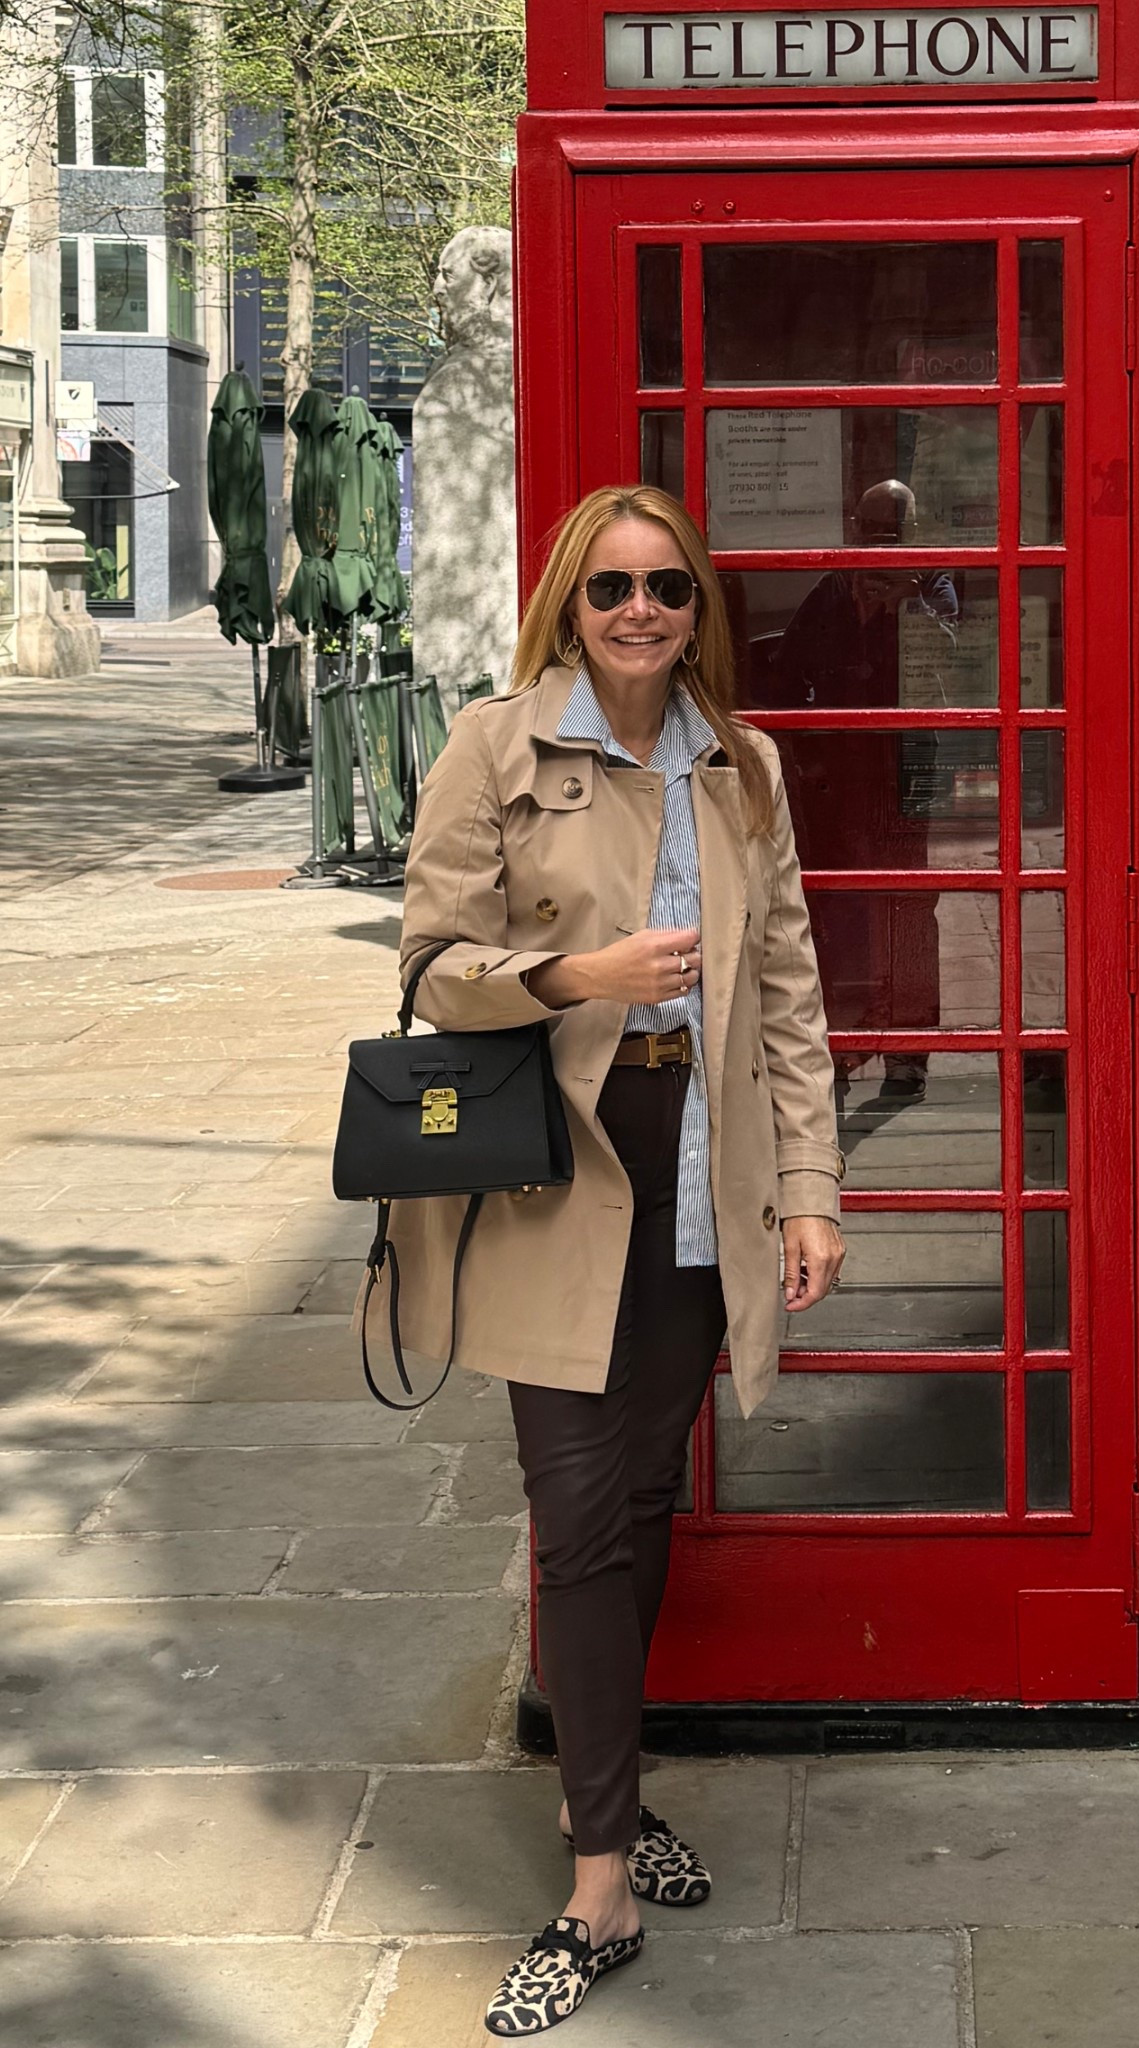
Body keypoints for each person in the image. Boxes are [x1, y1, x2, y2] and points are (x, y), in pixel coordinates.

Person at [381, 484, 845, 2036]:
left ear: (696, 604)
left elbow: (786, 996)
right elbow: (433, 972)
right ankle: (599, 1884)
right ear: (567, 607)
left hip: (704, 1171)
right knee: (574, 1510)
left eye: (666, 588)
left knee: (644, 1495)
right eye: (609, 590)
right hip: (555, 1167)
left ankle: (610, 1782)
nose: (640, 612)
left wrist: (813, 1192)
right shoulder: (493, 746)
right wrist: (577, 972)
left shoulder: (744, 766)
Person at [770, 480, 955, 1109]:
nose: (881, 542)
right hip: (843, 775)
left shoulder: (932, 583)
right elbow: (786, 676)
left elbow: (965, 661)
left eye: (892, 529)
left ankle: (909, 1047)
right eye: (871, 527)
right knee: (839, 907)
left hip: (907, 767)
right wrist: (810, 751)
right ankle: (842, 1039)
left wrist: (907, 605)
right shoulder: (833, 588)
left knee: (909, 904)